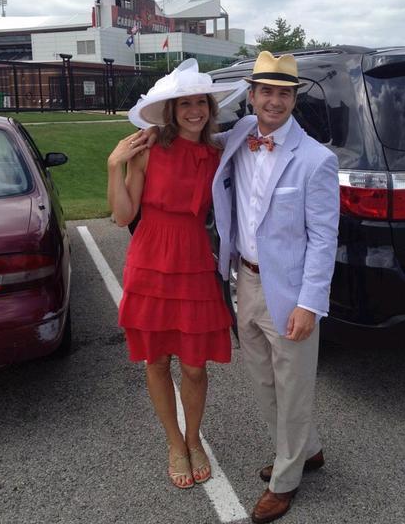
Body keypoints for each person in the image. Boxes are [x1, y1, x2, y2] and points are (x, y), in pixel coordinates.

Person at [212, 50, 340, 524]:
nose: (274, 101)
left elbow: (325, 238)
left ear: (293, 99)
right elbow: (195, 134)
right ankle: (306, 450)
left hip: (288, 292)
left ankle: (285, 482)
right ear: (251, 96)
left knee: (294, 387)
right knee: (263, 381)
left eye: (283, 93)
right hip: (243, 280)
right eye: (266, 91)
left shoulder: (316, 160)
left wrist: (310, 304)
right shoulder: (240, 135)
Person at [107, 59, 242, 490]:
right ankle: (175, 443)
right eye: (184, 104)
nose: (193, 111)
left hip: (194, 259)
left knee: (196, 366)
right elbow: (123, 214)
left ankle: (194, 436)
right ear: (171, 110)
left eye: (200, 102)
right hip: (149, 259)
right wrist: (116, 166)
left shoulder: (218, 154)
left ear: (209, 107)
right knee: (157, 358)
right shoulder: (147, 150)